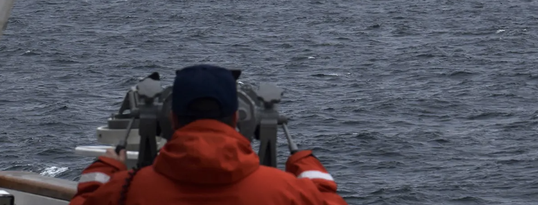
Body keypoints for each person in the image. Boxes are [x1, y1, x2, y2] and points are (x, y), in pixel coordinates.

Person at [69, 64, 348, 205]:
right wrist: (305, 163)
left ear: (172, 119)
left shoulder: (126, 192)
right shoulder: (286, 193)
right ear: (237, 118)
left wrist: (106, 168)